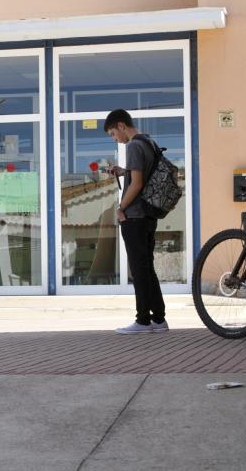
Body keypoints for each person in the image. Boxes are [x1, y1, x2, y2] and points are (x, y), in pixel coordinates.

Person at [103, 109, 168, 334]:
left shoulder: (132, 146)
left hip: (135, 215)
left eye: (113, 134)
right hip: (149, 214)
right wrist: (123, 171)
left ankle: (142, 321)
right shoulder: (148, 142)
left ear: (121, 125)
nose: (115, 139)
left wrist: (120, 208)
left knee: (139, 271)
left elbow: (137, 184)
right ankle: (158, 319)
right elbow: (142, 175)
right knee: (147, 268)